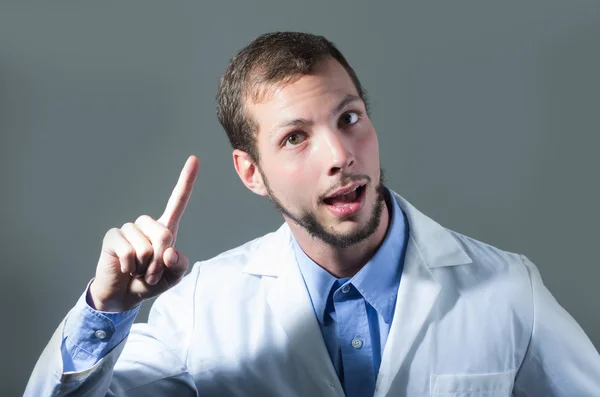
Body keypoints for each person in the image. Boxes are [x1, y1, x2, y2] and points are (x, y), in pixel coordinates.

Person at [26, 31, 600, 397]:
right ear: (252, 173)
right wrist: (107, 311)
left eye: (348, 118)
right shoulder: (205, 306)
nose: (340, 156)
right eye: (296, 137)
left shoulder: (507, 289)